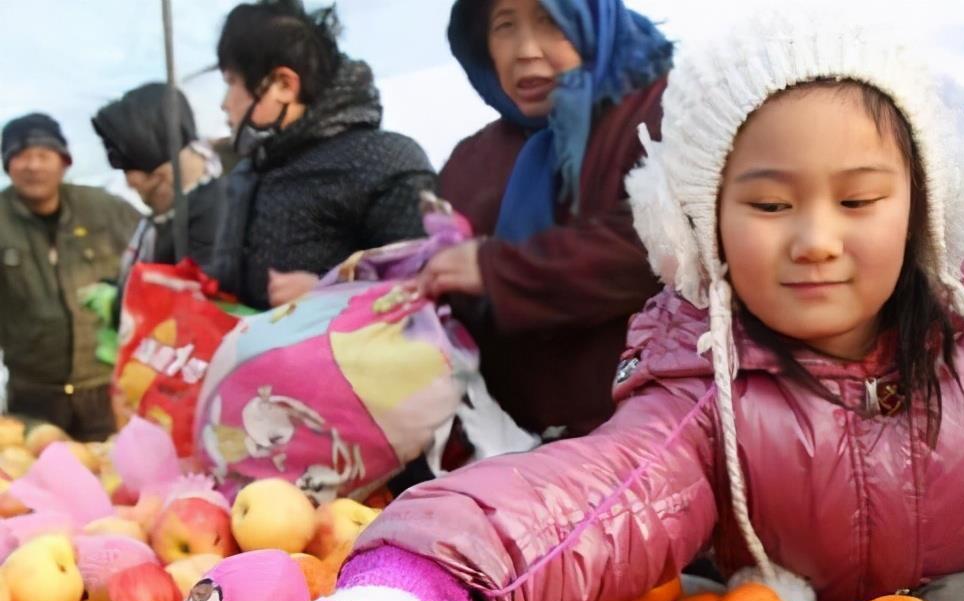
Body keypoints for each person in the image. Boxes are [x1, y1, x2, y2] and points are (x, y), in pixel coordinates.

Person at [168, 10, 964, 601]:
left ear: (924, 197)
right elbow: (597, 493)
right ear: (703, 219)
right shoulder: (703, 374)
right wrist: (417, 582)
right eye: (768, 204)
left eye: (858, 199)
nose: (814, 238)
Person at [419, 0, 673, 439]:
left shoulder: (662, 114)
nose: (526, 50)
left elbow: (660, 241)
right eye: (504, 26)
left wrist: (498, 270)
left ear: (592, 19)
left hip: (652, 429)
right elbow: (438, 278)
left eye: (551, 21)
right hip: (512, 447)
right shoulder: (469, 163)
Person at [209, 0, 437, 311]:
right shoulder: (250, 172)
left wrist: (330, 292)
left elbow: (428, 284)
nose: (224, 103)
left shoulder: (382, 161)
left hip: (346, 343)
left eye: (232, 83)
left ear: (284, 85)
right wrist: (201, 288)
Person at [0, 112, 140, 440]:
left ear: (64, 161)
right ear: (7, 165)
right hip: (33, 394)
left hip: (106, 388)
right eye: (21, 156)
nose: (33, 166)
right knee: (32, 468)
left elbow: (154, 261)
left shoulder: (105, 209)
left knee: (109, 466)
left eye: (43, 155)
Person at [92, 82, 227, 278]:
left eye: (128, 168)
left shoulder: (213, 213)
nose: (129, 183)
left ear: (163, 172)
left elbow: (200, 288)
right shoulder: (167, 216)